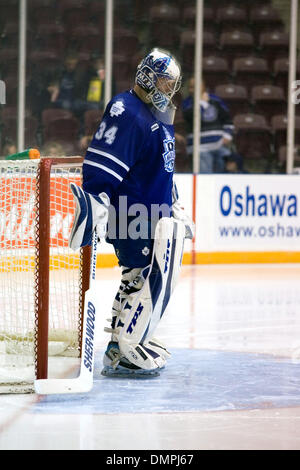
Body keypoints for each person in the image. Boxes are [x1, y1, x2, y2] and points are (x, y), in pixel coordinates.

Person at [68, 48, 194, 377]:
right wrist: (95, 201)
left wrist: (174, 202)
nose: (169, 90)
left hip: (151, 211)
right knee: (143, 279)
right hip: (134, 213)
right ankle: (128, 349)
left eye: (173, 85)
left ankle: (118, 345)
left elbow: (161, 165)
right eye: (166, 82)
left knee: (133, 279)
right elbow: (103, 163)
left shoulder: (156, 114)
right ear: (148, 76)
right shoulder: (128, 110)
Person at [182, 77, 234, 173]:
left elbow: (228, 120)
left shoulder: (215, 100)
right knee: (205, 178)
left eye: (194, 87)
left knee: (227, 171)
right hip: (200, 148)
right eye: (190, 87)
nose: (191, 90)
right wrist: (202, 103)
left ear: (203, 87)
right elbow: (193, 117)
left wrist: (227, 135)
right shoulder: (187, 103)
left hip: (219, 145)